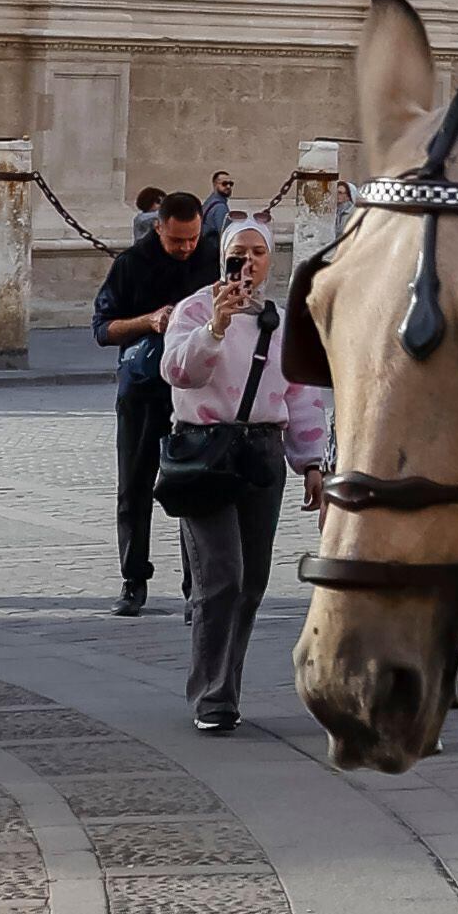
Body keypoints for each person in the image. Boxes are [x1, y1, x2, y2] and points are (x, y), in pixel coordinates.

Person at [156, 216, 332, 726]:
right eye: (240, 252)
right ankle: (211, 694)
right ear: (224, 257)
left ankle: (226, 686)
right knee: (221, 576)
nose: (249, 261)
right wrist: (215, 326)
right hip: (203, 453)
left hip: (261, 452)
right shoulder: (194, 309)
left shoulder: (280, 322)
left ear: (270, 259)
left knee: (251, 581)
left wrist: (311, 463)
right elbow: (180, 372)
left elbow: (301, 396)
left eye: (258, 252)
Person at [90, 186, 220, 611]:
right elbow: (102, 329)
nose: (185, 248)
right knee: (134, 485)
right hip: (144, 390)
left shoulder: (213, 258)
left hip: (197, 390)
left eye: (192, 239)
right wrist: (148, 321)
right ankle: (133, 579)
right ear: (159, 227)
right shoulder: (131, 265)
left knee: (195, 487)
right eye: (175, 240)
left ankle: (195, 586)